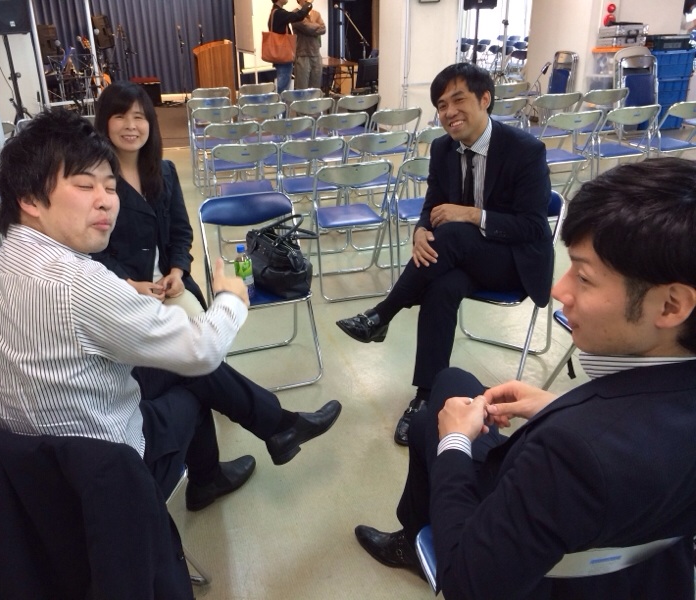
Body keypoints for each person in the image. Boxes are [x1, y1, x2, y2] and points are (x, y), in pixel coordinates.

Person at [0, 109, 342, 559]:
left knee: (179, 365)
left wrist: (164, 276)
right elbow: (201, 349)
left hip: (30, 470)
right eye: (84, 186)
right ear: (29, 197)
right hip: (104, 476)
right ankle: (250, 448)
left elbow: (176, 237)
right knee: (194, 378)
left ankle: (269, 435)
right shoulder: (75, 282)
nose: (105, 201)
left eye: (109, 187)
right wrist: (231, 298)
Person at [354, 157, 696, 600]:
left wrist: (455, 442)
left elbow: (467, 585)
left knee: (440, 417)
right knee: (439, 399)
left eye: (584, 277)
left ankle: (416, 543)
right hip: (643, 562)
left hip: (524, 555)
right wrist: (557, 406)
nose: (560, 290)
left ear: (671, 305)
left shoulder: (571, 452)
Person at [336, 62, 552, 445]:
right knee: (442, 286)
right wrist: (421, 230)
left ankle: (383, 313)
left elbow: (534, 228)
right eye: (441, 105)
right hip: (462, 256)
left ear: (485, 99)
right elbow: (433, 205)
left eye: (458, 100)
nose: (449, 112)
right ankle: (427, 396)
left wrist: (471, 215)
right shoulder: (442, 148)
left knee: (452, 233)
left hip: (513, 261)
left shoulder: (524, 150)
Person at [92, 80, 205, 317]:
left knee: (201, 329)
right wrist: (130, 285)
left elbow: (181, 232)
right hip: (119, 292)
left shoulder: (165, 171)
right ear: (105, 122)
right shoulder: (93, 181)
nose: (131, 126)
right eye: (120, 116)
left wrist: (177, 272)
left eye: (139, 117)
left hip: (167, 286)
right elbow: (93, 249)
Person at [269, 0, 313, 94]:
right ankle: (281, 103)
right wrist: (308, 3)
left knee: (282, 83)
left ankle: (280, 102)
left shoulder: (274, 12)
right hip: (283, 55)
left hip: (278, 54)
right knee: (283, 86)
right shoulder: (279, 13)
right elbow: (298, 16)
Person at [292, 0, 326, 90]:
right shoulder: (295, 14)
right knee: (302, 89)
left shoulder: (316, 14)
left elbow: (323, 29)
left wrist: (311, 27)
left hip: (316, 54)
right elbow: (307, 28)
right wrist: (317, 26)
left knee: (316, 88)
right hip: (303, 54)